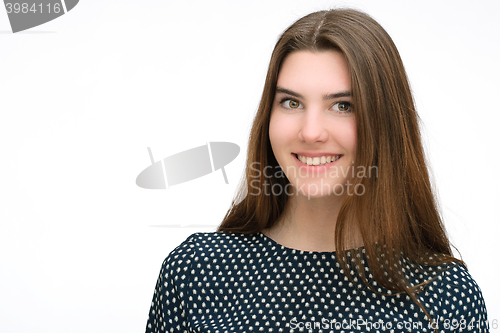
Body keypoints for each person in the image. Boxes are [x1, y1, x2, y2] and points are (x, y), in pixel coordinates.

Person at [146, 8, 489, 332]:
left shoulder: (446, 297)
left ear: (385, 124)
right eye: (291, 103)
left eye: (342, 106)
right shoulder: (195, 273)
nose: (311, 132)